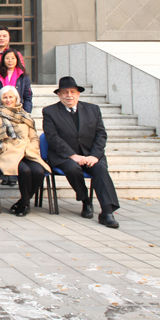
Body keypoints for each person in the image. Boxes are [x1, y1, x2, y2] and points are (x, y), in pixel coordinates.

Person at [42, 77, 120, 228]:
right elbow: (52, 138)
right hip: (64, 156)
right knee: (73, 168)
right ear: (59, 95)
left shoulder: (93, 109)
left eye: (72, 92)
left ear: (78, 94)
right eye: (65, 92)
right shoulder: (50, 111)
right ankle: (85, 200)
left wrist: (94, 156)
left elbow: (101, 134)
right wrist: (73, 155)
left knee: (101, 169)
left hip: (91, 154)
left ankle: (107, 212)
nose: (69, 95)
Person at [0, 86, 50, 217]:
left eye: (11, 97)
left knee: (39, 171)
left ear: (16, 98)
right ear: (0, 99)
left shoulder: (25, 116)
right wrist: (6, 149)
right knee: (25, 170)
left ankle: (23, 201)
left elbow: (34, 137)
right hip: (8, 153)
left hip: (28, 151)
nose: (8, 100)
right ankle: (25, 204)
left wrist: (33, 148)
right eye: (5, 97)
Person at [0, 48, 33, 113]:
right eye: (7, 58)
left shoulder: (23, 76)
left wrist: (26, 113)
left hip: (18, 111)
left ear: (17, 59)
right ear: (3, 60)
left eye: (13, 58)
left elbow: (27, 97)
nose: (10, 60)